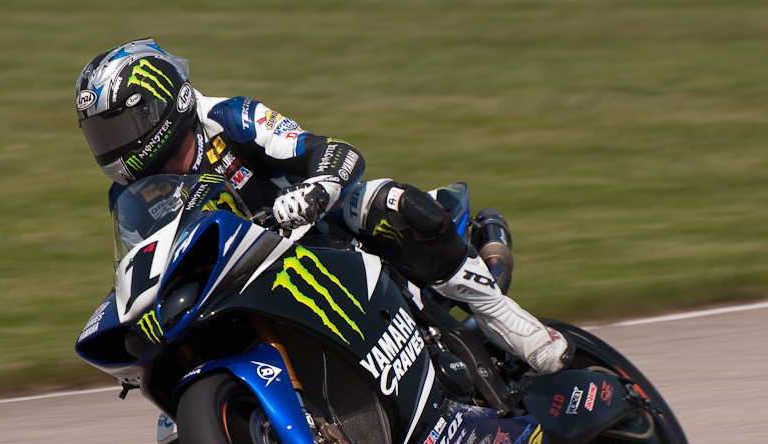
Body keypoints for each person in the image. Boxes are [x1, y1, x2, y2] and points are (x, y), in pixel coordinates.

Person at [74, 39, 569, 375]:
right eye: (100, 136)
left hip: (317, 235)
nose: (112, 149)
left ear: (157, 108)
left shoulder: (228, 116)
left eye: (118, 130)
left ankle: (500, 313)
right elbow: (141, 265)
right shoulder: (128, 197)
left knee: (392, 204)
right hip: (240, 283)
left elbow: (335, 152)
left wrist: (313, 192)